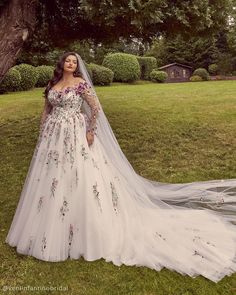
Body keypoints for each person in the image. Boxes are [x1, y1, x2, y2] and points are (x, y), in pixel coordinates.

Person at [5, 52, 236, 283]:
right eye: (68, 60)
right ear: (62, 64)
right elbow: (46, 109)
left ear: (77, 66)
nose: (71, 63)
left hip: (75, 134)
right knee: (52, 178)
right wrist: (42, 130)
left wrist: (90, 130)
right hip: (53, 137)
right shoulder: (52, 83)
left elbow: (95, 108)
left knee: (80, 176)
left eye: (75, 61)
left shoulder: (80, 83)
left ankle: (84, 228)